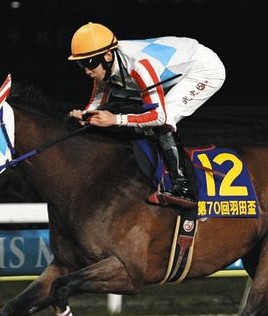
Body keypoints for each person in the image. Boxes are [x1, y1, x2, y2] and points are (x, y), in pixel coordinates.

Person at [67, 21, 225, 208]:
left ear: (108, 56)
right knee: (135, 117)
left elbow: (158, 117)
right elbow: (97, 104)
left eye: (90, 63)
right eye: (81, 64)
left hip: (202, 70)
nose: (86, 70)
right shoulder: (106, 66)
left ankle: (183, 187)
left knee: (163, 120)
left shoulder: (139, 66)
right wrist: (84, 116)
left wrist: (115, 119)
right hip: (170, 71)